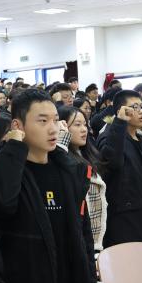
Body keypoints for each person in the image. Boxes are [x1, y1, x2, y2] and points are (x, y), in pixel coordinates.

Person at [0, 88, 95, 283]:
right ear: (18, 126)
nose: (52, 128)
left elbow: (82, 235)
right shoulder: (2, 173)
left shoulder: (68, 171)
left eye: (55, 120)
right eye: (42, 121)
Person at [96, 90, 142, 247]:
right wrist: (120, 122)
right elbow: (112, 162)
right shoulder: (109, 136)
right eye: (135, 107)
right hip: (125, 221)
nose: (141, 111)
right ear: (120, 111)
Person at [58, 105, 107, 251]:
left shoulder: (87, 154)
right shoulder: (62, 159)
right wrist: (61, 141)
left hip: (95, 238)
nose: (84, 129)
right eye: (77, 125)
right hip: (77, 239)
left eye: (85, 124)